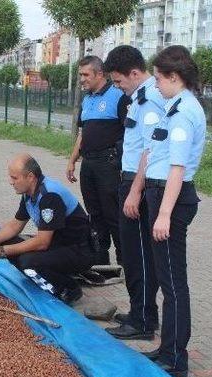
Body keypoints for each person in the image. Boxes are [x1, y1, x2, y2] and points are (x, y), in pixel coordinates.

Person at [141, 46, 207, 377]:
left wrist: (164, 214)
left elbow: (177, 168)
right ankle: (167, 349)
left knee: (173, 283)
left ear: (174, 77)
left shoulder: (183, 112)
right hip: (163, 194)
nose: (155, 86)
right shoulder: (176, 105)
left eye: (157, 79)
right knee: (168, 278)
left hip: (172, 199)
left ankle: (176, 358)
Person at [102, 45, 165, 341]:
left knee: (138, 255)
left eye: (118, 81)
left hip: (137, 185)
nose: (117, 87)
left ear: (135, 73)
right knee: (133, 253)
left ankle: (142, 321)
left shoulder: (150, 100)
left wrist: (135, 191)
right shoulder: (140, 97)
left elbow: (150, 151)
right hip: (130, 181)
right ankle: (140, 312)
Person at [0, 153, 98, 305]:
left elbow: (42, 242)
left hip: (78, 250)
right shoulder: (29, 193)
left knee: (27, 261)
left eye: (15, 178)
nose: (11, 182)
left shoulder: (49, 196)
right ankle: (45, 275)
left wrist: (2, 251)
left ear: (30, 177)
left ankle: (68, 288)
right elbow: (15, 225)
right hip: (58, 244)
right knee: (6, 241)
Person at [66, 56, 131, 266]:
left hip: (108, 164)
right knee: (94, 214)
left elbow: (129, 133)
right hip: (89, 164)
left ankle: (125, 262)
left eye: (85, 75)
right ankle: (101, 260)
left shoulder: (118, 96)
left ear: (100, 74)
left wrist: (120, 162)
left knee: (113, 214)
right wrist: (72, 160)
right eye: (80, 75)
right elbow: (83, 133)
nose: (82, 79)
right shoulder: (87, 99)